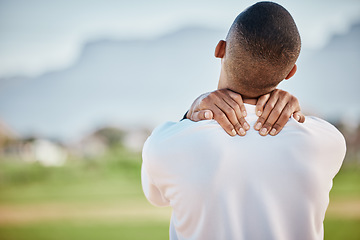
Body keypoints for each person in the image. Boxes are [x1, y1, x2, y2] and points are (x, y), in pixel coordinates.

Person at [142, 2, 346, 240]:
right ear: (290, 72)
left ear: (220, 49)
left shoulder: (164, 145)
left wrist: (190, 114)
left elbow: (155, 197)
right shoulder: (328, 143)